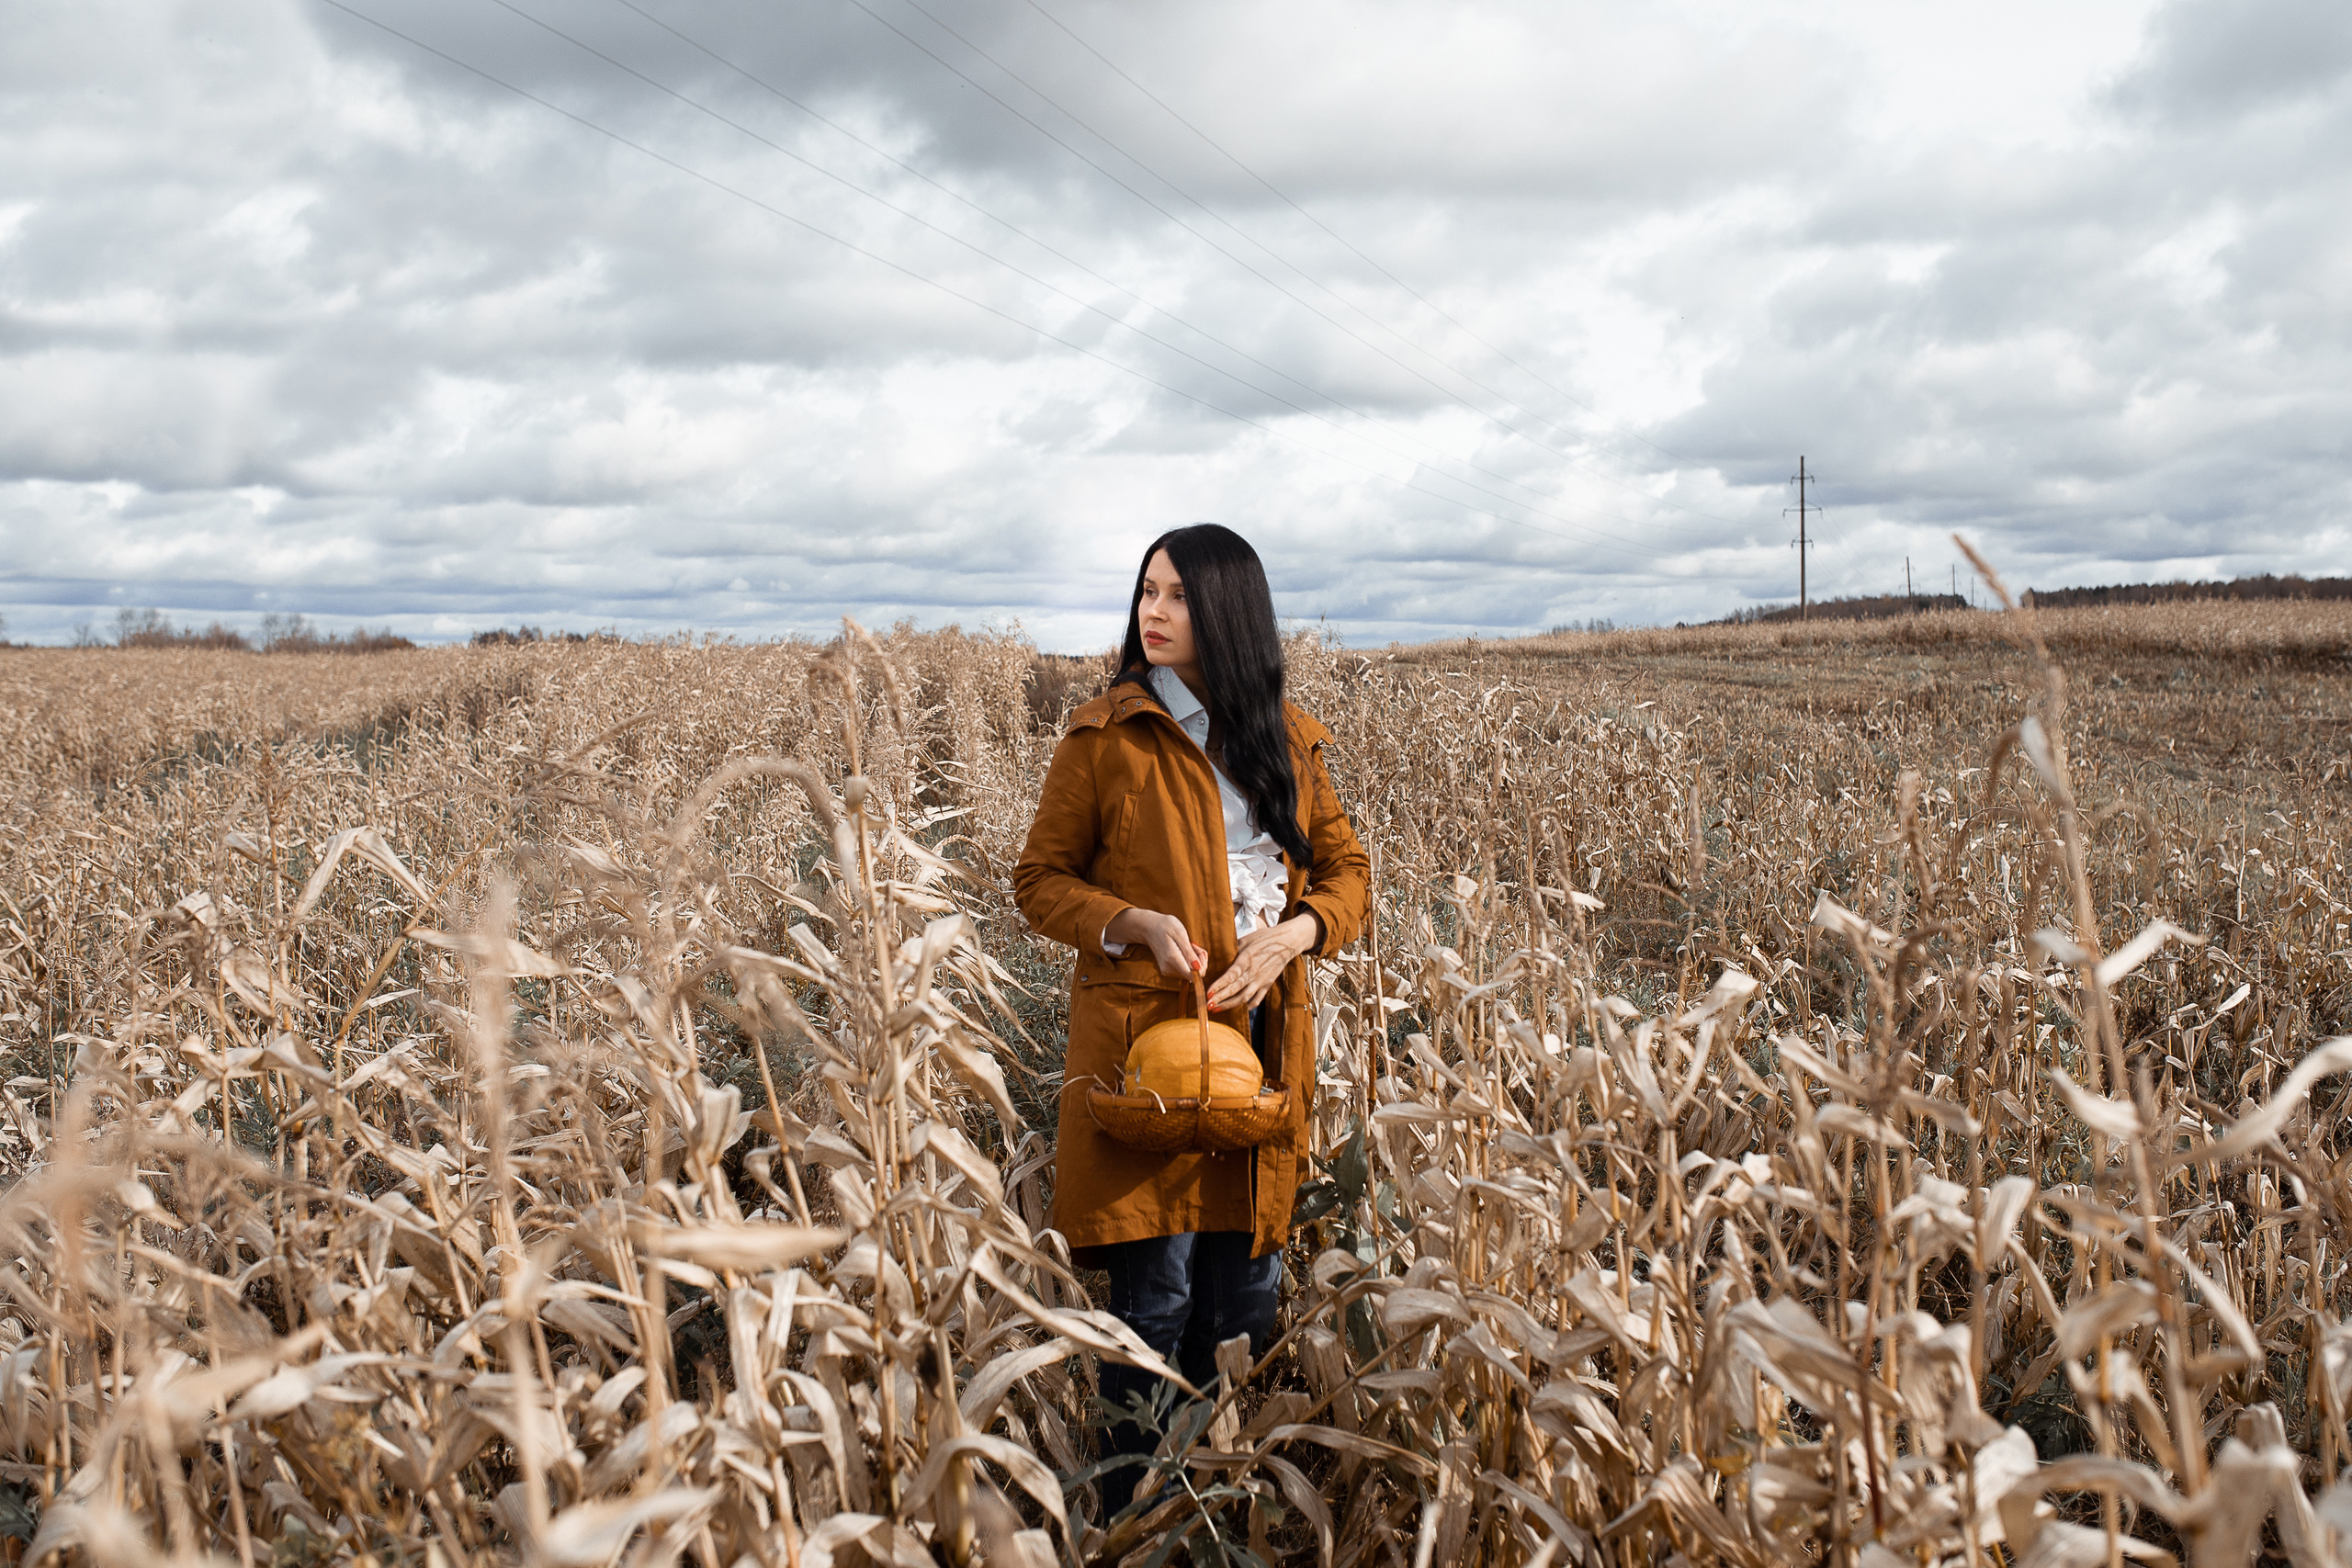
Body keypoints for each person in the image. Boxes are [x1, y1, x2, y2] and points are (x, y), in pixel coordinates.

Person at [1012, 524, 1370, 1517]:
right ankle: (1126, 1515)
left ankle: (1217, 1511)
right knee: (1155, 1299)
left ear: (1226, 612)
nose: (1153, 612)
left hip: (1261, 1043)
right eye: (1146, 592)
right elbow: (1039, 882)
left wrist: (1293, 936)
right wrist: (1130, 924)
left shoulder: (1285, 738)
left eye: (1176, 595)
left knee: (1242, 1304)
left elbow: (1348, 877)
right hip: (1148, 1054)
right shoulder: (1105, 737)